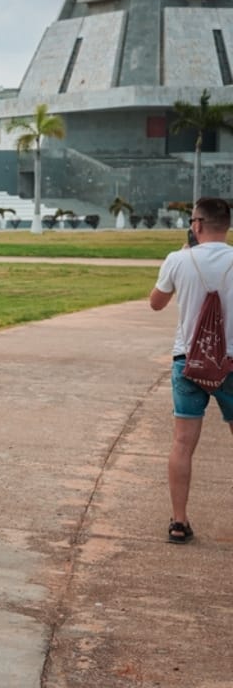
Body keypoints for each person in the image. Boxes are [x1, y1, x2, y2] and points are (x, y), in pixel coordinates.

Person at [149, 196, 233, 544]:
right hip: (230, 362)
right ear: (226, 226)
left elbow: (156, 303)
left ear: (196, 225)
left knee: (183, 443)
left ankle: (179, 521)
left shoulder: (178, 260)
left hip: (188, 362)